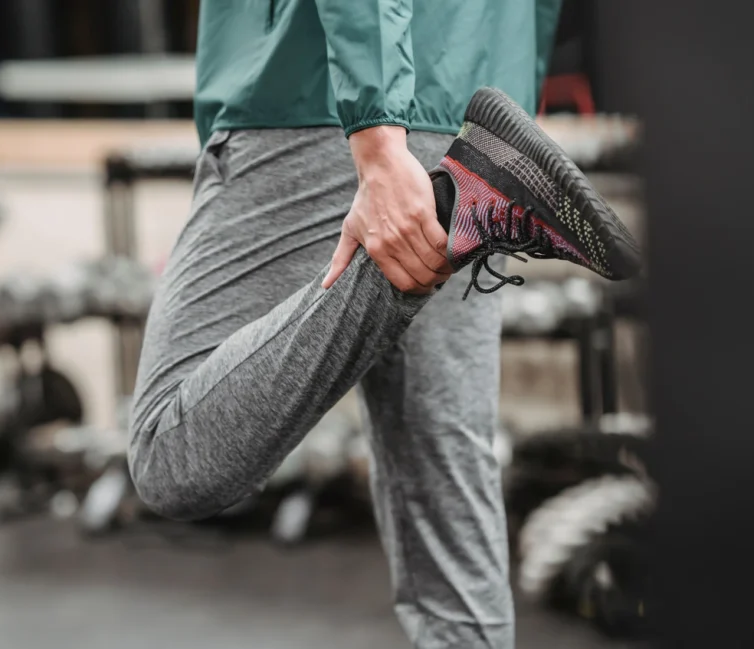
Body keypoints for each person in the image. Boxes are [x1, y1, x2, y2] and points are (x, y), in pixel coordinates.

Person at [127, 1, 640, 647]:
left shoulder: (365, 123)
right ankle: (473, 203)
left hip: (317, 91)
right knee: (444, 481)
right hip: (472, 114)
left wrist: (377, 137)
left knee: (170, 456)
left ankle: (457, 212)